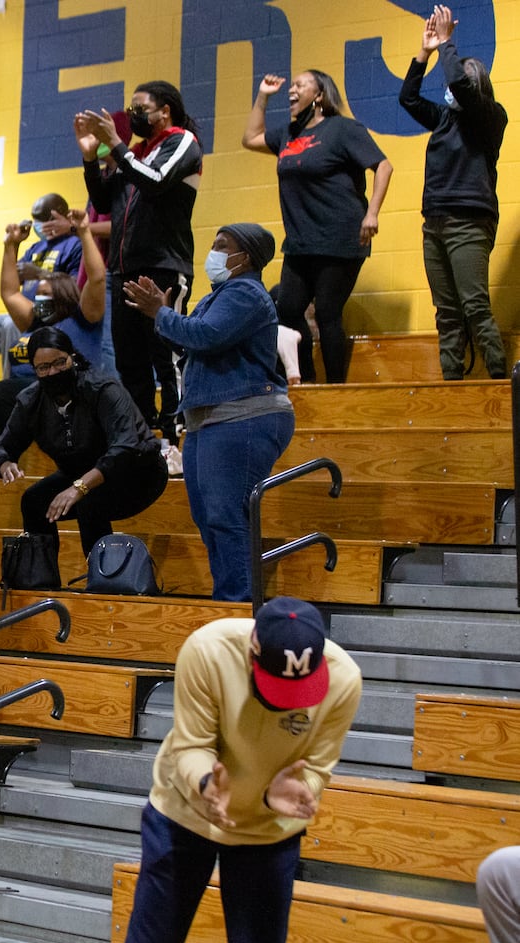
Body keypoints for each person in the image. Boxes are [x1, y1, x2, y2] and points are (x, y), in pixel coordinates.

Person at [108, 597, 361, 943]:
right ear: (252, 654)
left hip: (268, 830)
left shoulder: (344, 679)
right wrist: (207, 783)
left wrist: (301, 790)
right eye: (277, 686)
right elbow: (191, 745)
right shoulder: (208, 650)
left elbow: (317, 766)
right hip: (183, 813)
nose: (285, 701)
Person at [126, 223, 291, 602]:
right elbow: (191, 345)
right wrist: (162, 315)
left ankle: (237, 607)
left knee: (226, 515)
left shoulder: (245, 293)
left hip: (243, 416)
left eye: (222, 245)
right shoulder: (217, 297)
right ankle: (229, 599)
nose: (213, 252)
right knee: (208, 518)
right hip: (208, 419)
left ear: (244, 256)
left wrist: (161, 314)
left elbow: (206, 336)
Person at [243, 70, 392, 384]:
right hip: (300, 241)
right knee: (288, 308)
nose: (292, 90)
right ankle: (308, 381)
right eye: (292, 86)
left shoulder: (342, 129)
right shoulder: (288, 133)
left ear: (320, 95)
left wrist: (373, 213)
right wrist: (262, 97)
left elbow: (383, 166)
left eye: (300, 85)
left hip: (341, 236)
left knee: (327, 312)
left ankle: (335, 389)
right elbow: (251, 139)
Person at [0, 328, 168, 582]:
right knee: (34, 501)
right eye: (43, 368)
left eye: (59, 362)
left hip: (138, 473)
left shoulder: (102, 388)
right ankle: (42, 581)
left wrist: (80, 486)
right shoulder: (31, 400)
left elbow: (125, 447)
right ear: (34, 370)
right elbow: (2, 447)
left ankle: (103, 580)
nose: (52, 372)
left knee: (89, 501)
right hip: (81, 474)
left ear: (72, 357)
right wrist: (5, 463)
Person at [77, 82, 203, 437]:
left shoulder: (182, 143)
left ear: (165, 111)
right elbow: (103, 203)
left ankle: (178, 430)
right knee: (130, 359)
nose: (133, 116)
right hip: (124, 269)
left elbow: (156, 180)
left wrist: (116, 147)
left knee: (168, 352)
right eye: (130, 109)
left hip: (163, 265)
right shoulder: (132, 152)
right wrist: (90, 158)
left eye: (140, 109)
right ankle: (142, 433)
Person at [0, 209, 109, 465]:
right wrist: (11, 245)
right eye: (37, 294)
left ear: (64, 295)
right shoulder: (35, 320)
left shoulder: (84, 317)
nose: (38, 299)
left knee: (2, 395)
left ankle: (11, 467)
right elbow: (10, 292)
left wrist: (85, 232)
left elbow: (97, 278)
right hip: (26, 396)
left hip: (63, 392)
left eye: (45, 294)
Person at [401, 5, 509, 381]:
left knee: (474, 305)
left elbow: (461, 85)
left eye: (455, 84)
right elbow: (409, 99)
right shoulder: (445, 118)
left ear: (474, 86)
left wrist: (448, 43)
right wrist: (424, 52)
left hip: (469, 222)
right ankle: (452, 382)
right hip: (434, 222)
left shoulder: (491, 117)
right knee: (446, 309)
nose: (448, 90)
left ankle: (500, 381)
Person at [0, 195, 85, 388]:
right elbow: (11, 286)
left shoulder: (75, 244)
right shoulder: (35, 247)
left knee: (11, 325)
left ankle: (11, 389)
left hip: (51, 318)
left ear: (58, 215)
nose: (39, 225)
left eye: (44, 219)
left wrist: (39, 273)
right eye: (36, 220)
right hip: (21, 315)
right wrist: (13, 244)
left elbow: (76, 288)